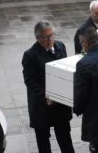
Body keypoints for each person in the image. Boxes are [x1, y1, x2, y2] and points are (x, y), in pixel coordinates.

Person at [22, 21, 75, 153]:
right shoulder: (30, 55)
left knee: (65, 138)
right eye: (46, 37)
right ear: (37, 37)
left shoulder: (60, 46)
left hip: (60, 103)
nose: (50, 39)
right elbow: (30, 81)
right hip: (42, 105)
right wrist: (45, 97)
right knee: (43, 140)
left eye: (52, 35)